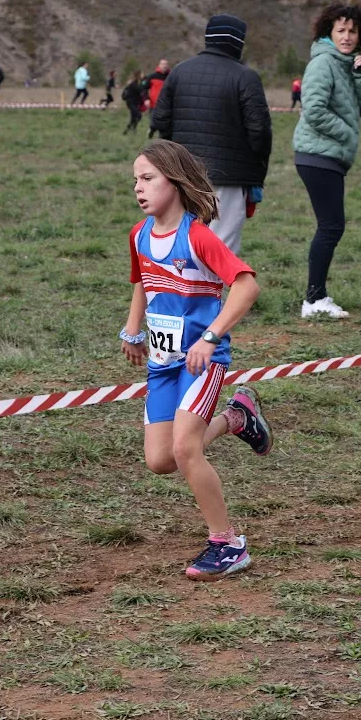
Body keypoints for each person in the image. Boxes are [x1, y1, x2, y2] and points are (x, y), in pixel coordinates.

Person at [120, 139, 272, 581]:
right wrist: (133, 330)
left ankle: (228, 543)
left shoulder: (197, 236)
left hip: (202, 361)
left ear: (176, 181)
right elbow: (143, 282)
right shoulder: (139, 234)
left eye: (148, 178)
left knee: (186, 448)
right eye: (135, 180)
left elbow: (246, 286)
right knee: (160, 460)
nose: (138, 188)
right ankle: (238, 417)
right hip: (163, 361)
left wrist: (209, 337)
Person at [151, 14, 272, 257]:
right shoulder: (245, 77)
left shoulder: (178, 72)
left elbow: (160, 120)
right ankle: (213, 296)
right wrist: (256, 169)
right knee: (220, 248)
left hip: (182, 174)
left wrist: (175, 156)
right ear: (238, 42)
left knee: (183, 241)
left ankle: (181, 294)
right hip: (228, 179)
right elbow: (259, 131)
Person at [293, 1, 361, 319]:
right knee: (331, 226)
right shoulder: (323, 63)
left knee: (331, 226)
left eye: (352, 31)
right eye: (340, 30)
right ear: (329, 32)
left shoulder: (348, 64)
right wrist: (346, 134)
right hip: (317, 154)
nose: (346, 36)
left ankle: (316, 296)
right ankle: (314, 299)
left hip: (328, 156)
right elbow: (313, 109)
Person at [144, 58, 170, 138]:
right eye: (163, 64)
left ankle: (161, 137)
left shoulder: (170, 76)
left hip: (166, 104)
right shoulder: (152, 76)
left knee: (164, 122)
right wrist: (146, 99)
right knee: (154, 121)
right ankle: (151, 130)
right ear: (159, 65)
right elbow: (144, 88)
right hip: (153, 103)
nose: (164, 66)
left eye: (166, 64)